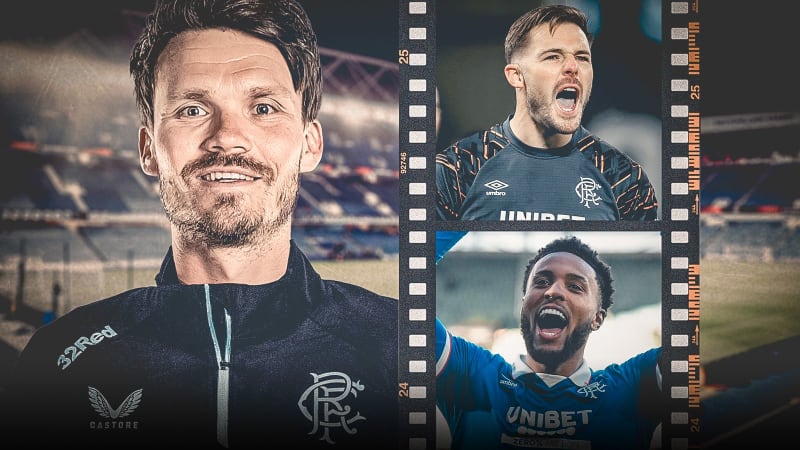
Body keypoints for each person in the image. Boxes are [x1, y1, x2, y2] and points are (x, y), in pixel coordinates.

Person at [4, 0, 397, 448]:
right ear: (149, 149)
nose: (226, 136)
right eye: (192, 109)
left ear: (310, 144)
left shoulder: (399, 347)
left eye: (264, 107)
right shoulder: (60, 361)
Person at [435, 236, 664, 450]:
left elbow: (682, 235)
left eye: (575, 286)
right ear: (524, 304)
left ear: (597, 318)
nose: (553, 291)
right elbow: (415, 267)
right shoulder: (473, 373)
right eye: (542, 281)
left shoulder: (631, 388)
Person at [435, 5, 658, 221]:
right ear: (516, 76)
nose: (573, 67)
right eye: (553, 56)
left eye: (582, 57)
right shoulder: (458, 168)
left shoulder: (625, 177)